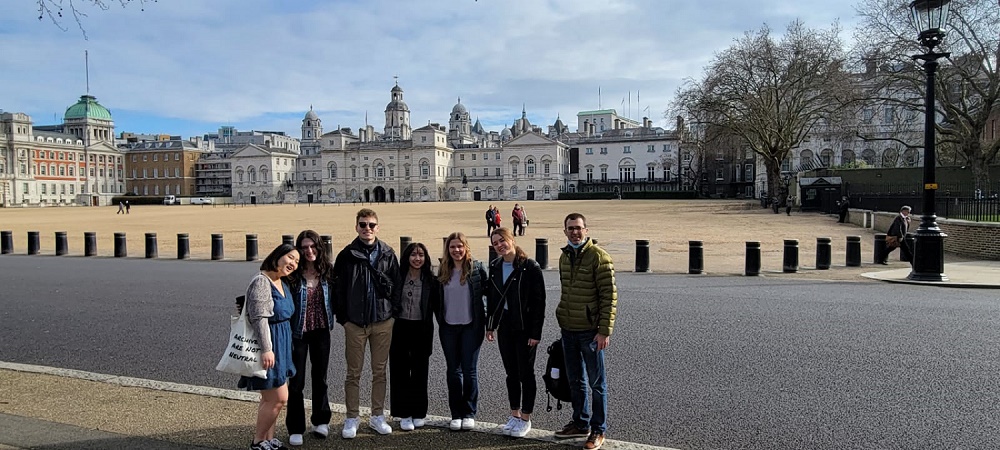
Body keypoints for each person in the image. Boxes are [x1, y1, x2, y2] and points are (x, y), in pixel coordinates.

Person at [333, 208, 399, 439]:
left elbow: (396, 286)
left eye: (371, 225)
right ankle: (352, 417)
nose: (367, 229)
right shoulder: (346, 255)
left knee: (379, 372)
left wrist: (392, 314)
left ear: (377, 227)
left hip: (382, 321)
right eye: (363, 225)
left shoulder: (388, 253)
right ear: (356, 227)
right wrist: (344, 318)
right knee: (353, 373)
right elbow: (337, 289)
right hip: (355, 323)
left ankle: (377, 415)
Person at [554, 213, 617, 450]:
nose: (575, 232)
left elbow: (609, 297)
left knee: (597, 383)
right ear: (565, 231)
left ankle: (598, 429)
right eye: (570, 229)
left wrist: (604, 331)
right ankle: (581, 422)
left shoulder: (599, 257)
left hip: (590, 331)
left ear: (586, 230)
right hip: (568, 329)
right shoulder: (564, 256)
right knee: (575, 380)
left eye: (578, 228)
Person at [486, 227, 545, 438]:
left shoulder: (530, 267)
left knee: (526, 373)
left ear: (512, 239)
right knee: (511, 373)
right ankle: (514, 414)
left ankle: (526, 417)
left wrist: (535, 333)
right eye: (495, 243)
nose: (500, 245)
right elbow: (493, 299)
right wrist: (490, 326)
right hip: (505, 325)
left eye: (502, 240)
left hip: (525, 326)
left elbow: (539, 303)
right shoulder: (494, 266)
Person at [240, 244, 300, 450]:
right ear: (277, 257)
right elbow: (259, 319)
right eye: (290, 258)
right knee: (278, 398)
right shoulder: (262, 281)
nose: (293, 263)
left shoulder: (281, 282)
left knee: (270, 399)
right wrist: (267, 348)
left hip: (281, 345)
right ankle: (258, 442)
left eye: (297, 261)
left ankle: (269, 440)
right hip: (269, 345)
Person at [285, 230, 336, 446]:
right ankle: (296, 427)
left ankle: (321, 420)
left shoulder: (327, 271)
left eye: (312, 246)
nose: (309, 251)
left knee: (320, 378)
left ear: (319, 247)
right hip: (299, 333)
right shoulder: (293, 274)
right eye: (304, 247)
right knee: (296, 381)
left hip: (321, 331)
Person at [436, 231, 488, 431]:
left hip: (471, 327)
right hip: (449, 327)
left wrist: (489, 322)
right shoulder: (442, 270)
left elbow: (488, 294)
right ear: (447, 250)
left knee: (470, 371)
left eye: (460, 246)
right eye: (452, 247)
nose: (456, 250)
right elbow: (436, 299)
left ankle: (469, 412)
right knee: (453, 371)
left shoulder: (477, 269)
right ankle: (456, 413)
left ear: (466, 247)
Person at [389, 242, 439, 432]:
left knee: (419, 371)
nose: (417, 258)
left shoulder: (431, 280)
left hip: (422, 328)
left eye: (421, 255)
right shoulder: (398, 277)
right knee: (400, 370)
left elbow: (438, 307)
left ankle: (418, 412)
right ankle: (404, 413)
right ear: (407, 257)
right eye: (413, 255)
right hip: (400, 327)